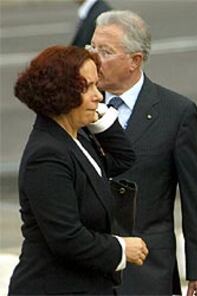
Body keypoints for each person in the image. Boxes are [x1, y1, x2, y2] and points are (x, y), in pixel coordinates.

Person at [90, 10, 197, 296]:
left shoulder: (176, 113)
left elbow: (195, 199)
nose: (94, 59)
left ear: (135, 60)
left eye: (105, 51)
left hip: (147, 270)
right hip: (89, 266)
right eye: (92, 47)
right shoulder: (80, 107)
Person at [8, 45, 148, 295]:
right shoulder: (47, 155)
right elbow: (66, 237)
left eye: (97, 84)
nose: (98, 95)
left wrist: (96, 116)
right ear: (61, 93)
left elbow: (123, 158)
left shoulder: (77, 136)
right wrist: (120, 249)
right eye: (87, 87)